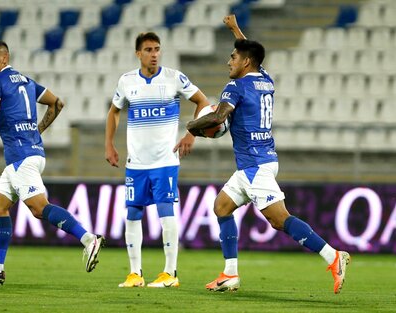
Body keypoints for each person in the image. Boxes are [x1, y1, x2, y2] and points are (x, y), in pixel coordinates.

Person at [186, 16, 351, 294]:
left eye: (233, 57)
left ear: (245, 62)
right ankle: (230, 274)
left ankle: (333, 256)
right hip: (262, 160)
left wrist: (191, 127)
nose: (229, 62)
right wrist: (236, 31)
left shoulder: (235, 87)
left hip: (254, 165)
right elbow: (253, 53)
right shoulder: (265, 79)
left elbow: (218, 115)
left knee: (279, 220)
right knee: (222, 207)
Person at [0, 40, 105, 286]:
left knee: (38, 208)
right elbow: (58, 103)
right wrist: (37, 131)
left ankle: (88, 238)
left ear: (4, 58)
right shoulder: (26, 81)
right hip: (28, 154)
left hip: (21, 157)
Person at [105, 32, 210, 288]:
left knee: (166, 212)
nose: (154, 54)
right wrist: (109, 144)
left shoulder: (174, 78)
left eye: (157, 49)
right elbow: (114, 111)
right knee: (132, 213)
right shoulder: (127, 81)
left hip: (165, 160)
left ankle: (170, 273)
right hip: (136, 162)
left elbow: (202, 101)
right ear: (138, 53)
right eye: (149, 50)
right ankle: (134, 274)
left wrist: (191, 133)